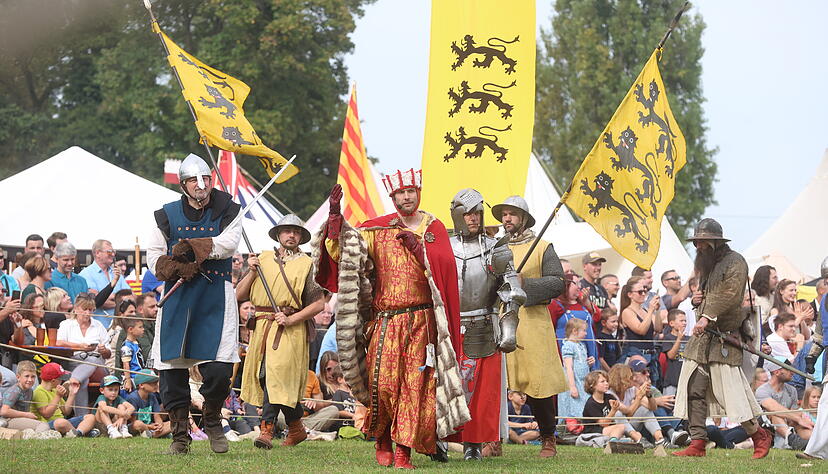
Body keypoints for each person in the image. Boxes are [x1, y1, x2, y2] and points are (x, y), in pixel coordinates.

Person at [314, 171, 469, 469]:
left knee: (414, 387)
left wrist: (420, 250)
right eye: (400, 193)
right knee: (382, 384)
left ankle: (402, 452)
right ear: (392, 197)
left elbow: (447, 270)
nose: (406, 197)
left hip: (422, 320)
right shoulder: (375, 230)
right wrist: (335, 220)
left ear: (419, 192)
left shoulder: (432, 228)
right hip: (385, 321)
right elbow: (345, 254)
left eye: (411, 191)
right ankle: (383, 439)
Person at [146, 154, 242, 455]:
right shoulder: (165, 215)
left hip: (216, 295)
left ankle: (212, 417)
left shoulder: (227, 208)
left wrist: (197, 248)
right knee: (172, 371)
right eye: (193, 181)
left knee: (218, 369)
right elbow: (153, 256)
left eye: (205, 180)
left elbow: (229, 243)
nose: (201, 186)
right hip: (178, 295)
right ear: (184, 184)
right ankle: (179, 436)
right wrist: (174, 266)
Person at [672, 218, 771, 458]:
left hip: (724, 338)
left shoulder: (735, 262)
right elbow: (709, 296)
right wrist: (697, 301)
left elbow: (728, 295)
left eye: (703, 242)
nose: (699, 247)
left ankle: (759, 435)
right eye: (696, 242)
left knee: (733, 393)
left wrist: (706, 315)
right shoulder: (710, 264)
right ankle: (697, 442)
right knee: (693, 388)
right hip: (703, 339)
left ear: (715, 242)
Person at [448, 188, 525, 460]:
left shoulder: (496, 249)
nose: (473, 218)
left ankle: (473, 445)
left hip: (484, 323)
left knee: (482, 395)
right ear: (457, 215)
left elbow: (512, 290)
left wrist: (508, 330)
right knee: (446, 387)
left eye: (477, 213)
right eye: (468, 213)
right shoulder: (443, 247)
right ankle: (439, 440)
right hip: (448, 325)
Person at [237, 214, 324, 450]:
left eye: (295, 232)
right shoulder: (262, 259)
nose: (291, 235)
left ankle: (266, 430)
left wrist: (291, 318)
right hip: (263, 326)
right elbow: (239, 295)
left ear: (301, 237)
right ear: (278, 234)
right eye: (287, 231)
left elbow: (318, 304)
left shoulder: (307, 264)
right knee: (267, 376)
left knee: (273, 375)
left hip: (290, 328)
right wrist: (252, 271)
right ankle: (296, 428)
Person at [492, 195, 567, 458]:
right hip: (501, 319)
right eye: (504, 215)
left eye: (512, 214)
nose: (507, 219)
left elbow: (557, 282)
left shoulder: (542, 246)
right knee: (498, 385)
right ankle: (494, 439)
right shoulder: (496, 247)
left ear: (523, 218)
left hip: (533, 321)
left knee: (538, 384)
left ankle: (548, 438)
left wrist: (525, 284)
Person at [55, 293, 112, 416]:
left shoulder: (98, 325)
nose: (88, 313)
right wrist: (79, 346)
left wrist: (103, 350)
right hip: (74, 362)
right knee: (83, 380)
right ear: (76, 308)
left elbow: (108, 354)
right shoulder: (66, 324)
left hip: (98, 366)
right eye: (85, 309)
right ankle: (81, 418)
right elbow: (58, 342)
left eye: (91, 310)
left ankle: (73, 380)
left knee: (93, 358)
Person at [755, 358, 812, 450]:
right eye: (788, 370)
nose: (792, 372)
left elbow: (794, 413)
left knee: (803, 423)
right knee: (775, 414)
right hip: (765, 429)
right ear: (777, 372)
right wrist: (797, 418)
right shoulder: (762, 390)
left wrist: (801, 419)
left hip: (787, 424)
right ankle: (792, 440)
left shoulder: (792, 390)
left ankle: (813, 443)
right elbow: (773, 408)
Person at [30, 362, 99, 437]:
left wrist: (72, 394)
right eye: (61, 379)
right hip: (48, 425)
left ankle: (78, 433)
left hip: (64, 423)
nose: (62, 381)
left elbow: (66, 411)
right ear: (53, 381)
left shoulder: (54, 390)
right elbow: (47, 414)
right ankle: (83, 433)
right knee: (61, 423)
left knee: (90, 417)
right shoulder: (39, 391)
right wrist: (58, 396)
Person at [550, 273, 600, 370]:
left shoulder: (583, 302)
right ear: (566, 285)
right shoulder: (555, 304)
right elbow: (550, 327)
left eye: (580, 284)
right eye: (576, 283)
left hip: (589, 348)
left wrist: (587, 302)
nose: (579, 287)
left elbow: (597, 317)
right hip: (568, 351)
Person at [79, 239, 133, 328]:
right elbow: (96, 302)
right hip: (98, 327)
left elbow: (131, 296)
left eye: (113, 251)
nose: (113, 254)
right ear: (97, 253)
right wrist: (120, 300)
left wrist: (111, 297)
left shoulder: (116, 272)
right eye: (109, 252)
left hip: (119, 328)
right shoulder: (86, 274)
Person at [581, 370, 642, 442]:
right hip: (594, 431)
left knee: (620, 419)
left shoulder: (609, 397)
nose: (606, 384)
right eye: (602, 381)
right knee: (621, 427)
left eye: (607, 381)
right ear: (592, 385)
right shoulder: (591, 403)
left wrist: (638, 397)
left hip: (610, 429)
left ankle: (618, 440)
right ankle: (617, 441)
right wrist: (613, 410)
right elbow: (603, 423)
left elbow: (627, 410)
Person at [558, 318, 592, 434]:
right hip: (574, 381)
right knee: (573, 406)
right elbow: (568, 367)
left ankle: (583, 429)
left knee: (583, 405)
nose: (586, 333)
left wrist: (589, 362)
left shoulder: (582, 345)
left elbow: (581, 361)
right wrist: (572, 386)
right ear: (574, 331)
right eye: (583, 331)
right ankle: (569, 430)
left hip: (582, 382)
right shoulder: (568, 346)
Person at [620, 276, 663, 363]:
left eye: (644, 291)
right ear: (630, 295)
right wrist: (651, 310)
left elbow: (658, 328)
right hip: (636, 355)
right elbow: (641, 330)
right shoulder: (627, 311)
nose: (643, 294)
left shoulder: (645, 310)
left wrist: (657, 310)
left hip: (651, 354)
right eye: (640, 292)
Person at [0, 361, 49, 432]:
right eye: (27, 376)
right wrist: (26, 415)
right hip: (8, 420)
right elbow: (4, 411)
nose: (30, 380)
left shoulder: (30, 391)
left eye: (33, 377)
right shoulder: (15, 391)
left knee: (42, 425)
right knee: (42, 425)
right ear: (18, 377)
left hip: (20, 419)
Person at [125, 369, 171, 438]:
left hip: (150, 427)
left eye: (156, 382)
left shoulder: (152, 396)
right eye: (152, 383)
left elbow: (157, 416)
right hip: (136, 426)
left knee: (172, 423)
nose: (156, 385)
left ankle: (150, 434)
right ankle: (154, 434)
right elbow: (133, 421)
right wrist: (149, 427)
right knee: (138, 424)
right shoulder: (133, 398)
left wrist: (159, 425)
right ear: (141, 385)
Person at [660, 309, 687, 396]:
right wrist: (679, 339)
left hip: (685, 381)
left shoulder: (688, 339)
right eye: (681, 321)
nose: (684, 323)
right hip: (672, 381)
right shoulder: (668, 338)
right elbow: (671, 355)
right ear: (671, 323)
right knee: (669, 407)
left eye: (685, 321)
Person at [120, 318, 146, 392]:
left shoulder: (136, 343)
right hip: (132, 378)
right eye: (140, 327)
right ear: (130, 329)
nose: (143, 329)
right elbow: (126, 365)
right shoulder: (127, 346)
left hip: (139, 375)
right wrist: (128, 381)